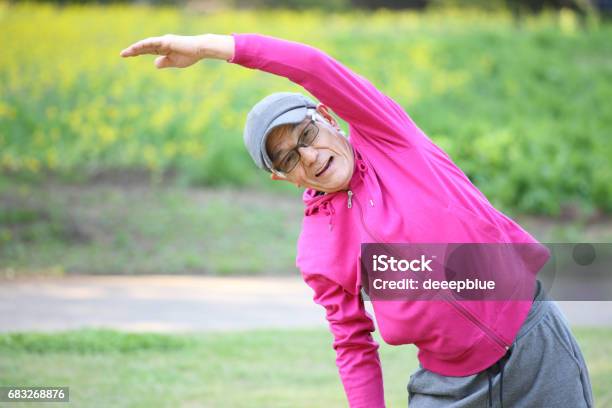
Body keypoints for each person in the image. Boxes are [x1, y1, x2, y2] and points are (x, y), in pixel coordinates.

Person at [120, 33, 594, 407]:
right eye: (288, 159)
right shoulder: (318, 249)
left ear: (327, 116)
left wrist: (208, 47)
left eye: (307, 133)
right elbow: (353, 345)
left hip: (535, 345)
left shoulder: (387, 138)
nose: (309, 155)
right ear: (282, 178)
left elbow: (312, 67)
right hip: (451, 387)